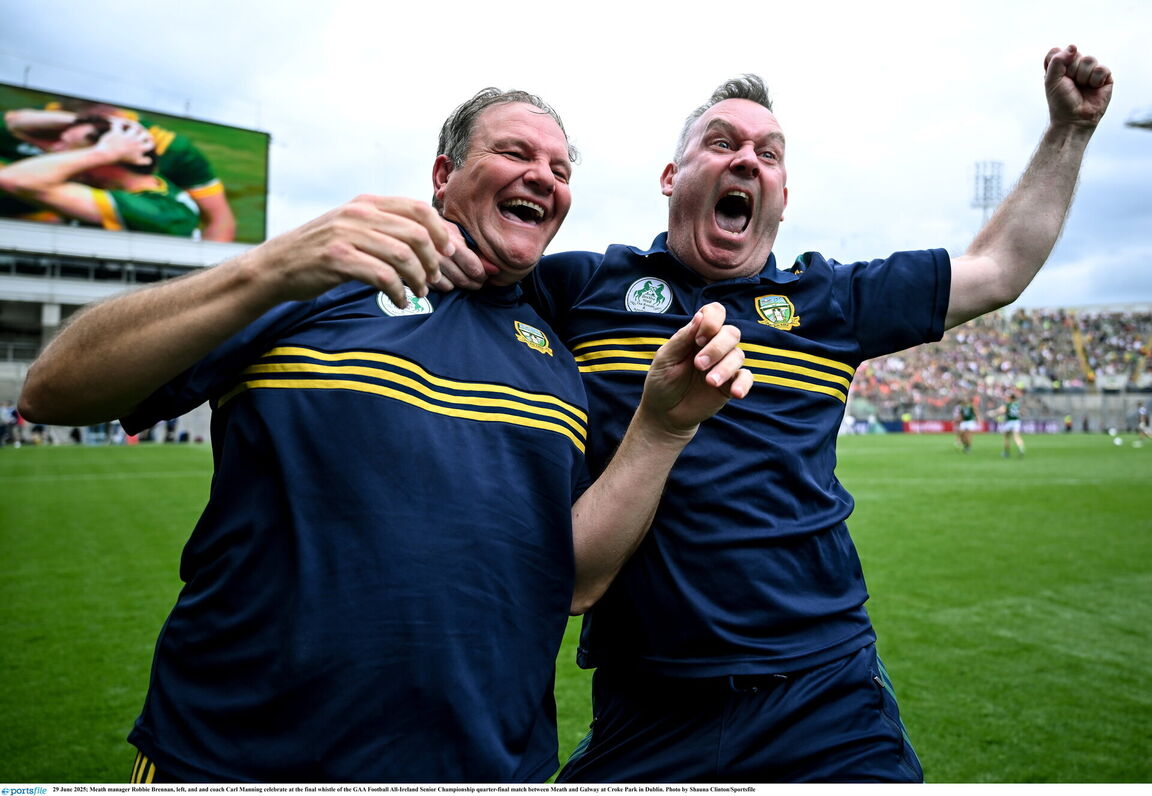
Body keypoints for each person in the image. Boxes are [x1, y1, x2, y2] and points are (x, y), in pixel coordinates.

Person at [18, 88, 751, 783]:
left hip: (485, 772)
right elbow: (53, 389)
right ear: (444, 174)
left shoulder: (556, 363)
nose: (544, 176)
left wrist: (661, 428)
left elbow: (576, 580)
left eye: (561, 169)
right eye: (516, 153)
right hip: (230, 761)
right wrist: (271, 265)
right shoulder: (313, 285)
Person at [440, 45, 1111, 782]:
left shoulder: (831, 301)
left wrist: (1067, 133)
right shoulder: (583, 287)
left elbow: (999, 269)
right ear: (671, 179)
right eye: (722, 142)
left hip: (823, 693)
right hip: (645, 702)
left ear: (783, 196)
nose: (747, 160)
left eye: (769, 153)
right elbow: (473, 272)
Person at [2, 105, 237, 240]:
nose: (53, 149)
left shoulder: (153, 211)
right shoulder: (146, 186)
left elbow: (13, 180)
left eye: (65, 147)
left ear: (107, 159)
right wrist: (87, 121)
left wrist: (103, 152)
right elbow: (14, 123)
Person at [995, 391, 1026, 458]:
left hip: (1010, 422)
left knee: (1006, 438)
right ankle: (1021, 449)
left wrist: (995, 413)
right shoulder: (1017, 404)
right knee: (1016, 437)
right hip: (1016, 422)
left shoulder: (1008, 404)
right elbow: (1022, 412)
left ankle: (1006, 453)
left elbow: (1002, 411)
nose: (1007, 398)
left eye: (1008, 397)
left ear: (1010, 398)